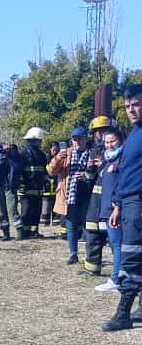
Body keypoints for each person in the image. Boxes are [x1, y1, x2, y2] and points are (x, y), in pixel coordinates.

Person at [104, 85, 142, 330]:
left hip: (138, 203)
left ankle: (123, 314)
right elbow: (126, 173)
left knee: (131, 256)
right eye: (128, 106)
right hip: (128, 203)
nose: (132, 110)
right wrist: (117, 204)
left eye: (136, 104)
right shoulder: (133, 135)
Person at [48, 126, 91, 265]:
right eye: (74, 139)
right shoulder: (65, 154)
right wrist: (56, 159)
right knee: (71, 226)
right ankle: (73, 254)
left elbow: (97, 172)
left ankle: (91, 255)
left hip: (87, 195)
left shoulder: (92, 153)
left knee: (88, 226)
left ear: (85, 139)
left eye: (80, 139)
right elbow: (51, 172)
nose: (77, 142)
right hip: (69, 195)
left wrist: (86, 174)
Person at [93, 127, 124, 293]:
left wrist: (117, 205)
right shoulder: (107, 160)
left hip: (116, 211)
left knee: (118, 245)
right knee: (115, 244)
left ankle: (116, 279)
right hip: (105, 209)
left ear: (121, 141)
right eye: (106, 142)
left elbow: (122, 184)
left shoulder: (122, 160)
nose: (109, 145)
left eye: (113, 141)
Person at [82, 116, 112, 276]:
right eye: (96, 132)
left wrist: (105, 165)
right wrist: (89, 170)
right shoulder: (92, 151)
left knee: (114, 239)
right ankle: (92, 268)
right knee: (92, 234)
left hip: (110, 201)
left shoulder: (117, 150)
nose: (100, 135)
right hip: (95, 202)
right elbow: (88, 181)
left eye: (103, 131)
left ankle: (121, 272)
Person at [18, 127, 48, 239]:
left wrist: (46, 182)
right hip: (26, 188)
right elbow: (19, 171)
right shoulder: (24, 154)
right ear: (34, 140)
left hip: (38, 188)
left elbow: (44, 171)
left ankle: (34, 231)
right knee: (26, 211)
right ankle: (25, 232)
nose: (41, 142)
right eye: (40, 140)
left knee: (37, 210)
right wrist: (20, 185)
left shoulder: (41, 155)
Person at [0, 142, 22, 241]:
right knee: (1, 211)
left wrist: (11, 156)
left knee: (12, 210)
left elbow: (18, 167)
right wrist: (1, 145)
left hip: (10, 188)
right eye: (7, 149)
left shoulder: (16, 159)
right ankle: (6, 234)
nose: (8, 151)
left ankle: (20, 233)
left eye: (11, 149)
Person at [41, 142, 60, 226]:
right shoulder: (46, 159)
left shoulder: (61, 158)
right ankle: (45, 223)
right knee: (46, 207)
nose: (54, 150)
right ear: (50, 149)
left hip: (57, 187)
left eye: (56, 148)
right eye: (53, 148)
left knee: (56, 207)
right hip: (47, 187)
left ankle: (56, 223)